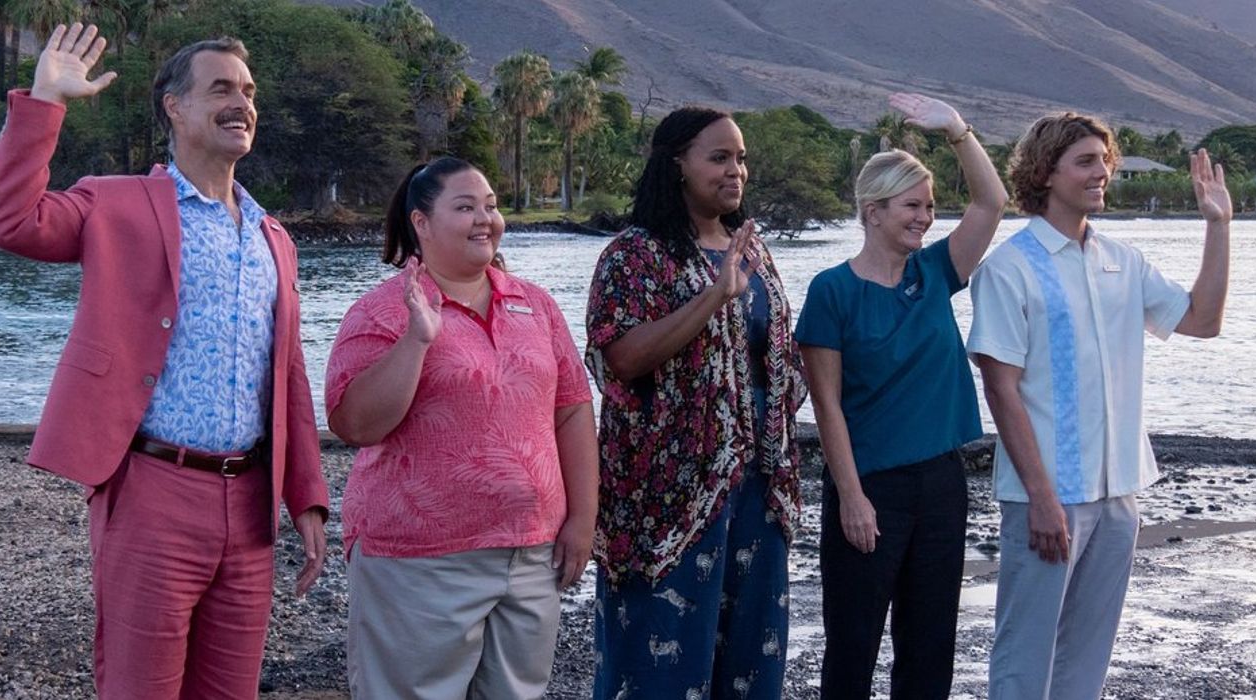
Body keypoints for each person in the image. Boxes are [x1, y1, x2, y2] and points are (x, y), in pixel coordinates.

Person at [0, 25, 329, 698]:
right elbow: (6, 221)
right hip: (152, 490)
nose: (240, 104)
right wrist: (45, 101)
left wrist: (306, 496)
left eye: (248, 92)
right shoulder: (116, 203)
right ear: (174, 106)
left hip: (251, 505)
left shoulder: (271, 236)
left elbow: (285, 375)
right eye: (220, 88)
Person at [967, 113, 1232, 699]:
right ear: (1045, 172)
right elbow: (1000, 387)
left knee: (1089, 656)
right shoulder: (1008, 269)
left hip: (1119, 496)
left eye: (1104, 160)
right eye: (1086, 162)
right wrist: (1040, 498)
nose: (1103, 172)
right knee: (1024, 654)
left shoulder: (1124, 261)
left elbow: (1204, 321)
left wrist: (1218, 226)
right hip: (1048, 497)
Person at [324, 156, 598, 700]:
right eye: (466, 207)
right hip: (419, 560)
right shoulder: (382, 312)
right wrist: (416, 341)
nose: (486, 219)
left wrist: (583, 519)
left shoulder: (534, 304)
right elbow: (354, 424)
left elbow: (571, 409)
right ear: (421, 223)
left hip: (530, 554)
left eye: (491, 207)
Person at [586, 106, 807, 699]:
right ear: (677, 163)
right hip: (667, 495)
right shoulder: (636, 254)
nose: (735, 170)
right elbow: (623, 359)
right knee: (660, 662)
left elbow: (774, 358)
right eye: (719, 157)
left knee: (751, 659)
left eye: (740, 158)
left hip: (758, 487)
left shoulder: (752, 253)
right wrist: (713, 296)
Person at [796, 93, 1008, 699]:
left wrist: (958, 131)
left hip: (942, 482)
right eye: (913, 206)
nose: (925, 218)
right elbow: (826, 405)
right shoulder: (832, 291)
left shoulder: (935, 272)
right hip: (871, 488)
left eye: (931, 206)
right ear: (873, 212)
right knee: (853, 647)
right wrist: (851, 497)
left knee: (930, 643)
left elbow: (992, 202)